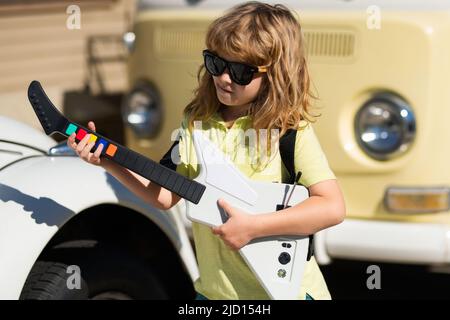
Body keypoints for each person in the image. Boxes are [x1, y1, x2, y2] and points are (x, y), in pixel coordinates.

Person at [67, 1, 346, 300]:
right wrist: (108, 162)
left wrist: (255, 227)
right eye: (216, 63)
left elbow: (332, 206)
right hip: (214, 295)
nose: (224, 77)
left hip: (288, 293)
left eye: (241, 71)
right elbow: (164, 195)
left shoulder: (290, 131)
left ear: (274, 74)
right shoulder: (197, 123)